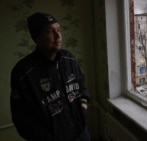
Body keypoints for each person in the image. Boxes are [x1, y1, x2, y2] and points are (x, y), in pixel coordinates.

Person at [10, 12, 90, 141]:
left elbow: (81, 82)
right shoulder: (23, 73)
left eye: (58, 30)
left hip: (80, 132)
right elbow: (22, 118)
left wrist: (83, 106)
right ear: (36, 37)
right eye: (50, 32)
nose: (58, 36)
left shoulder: (68, 59)